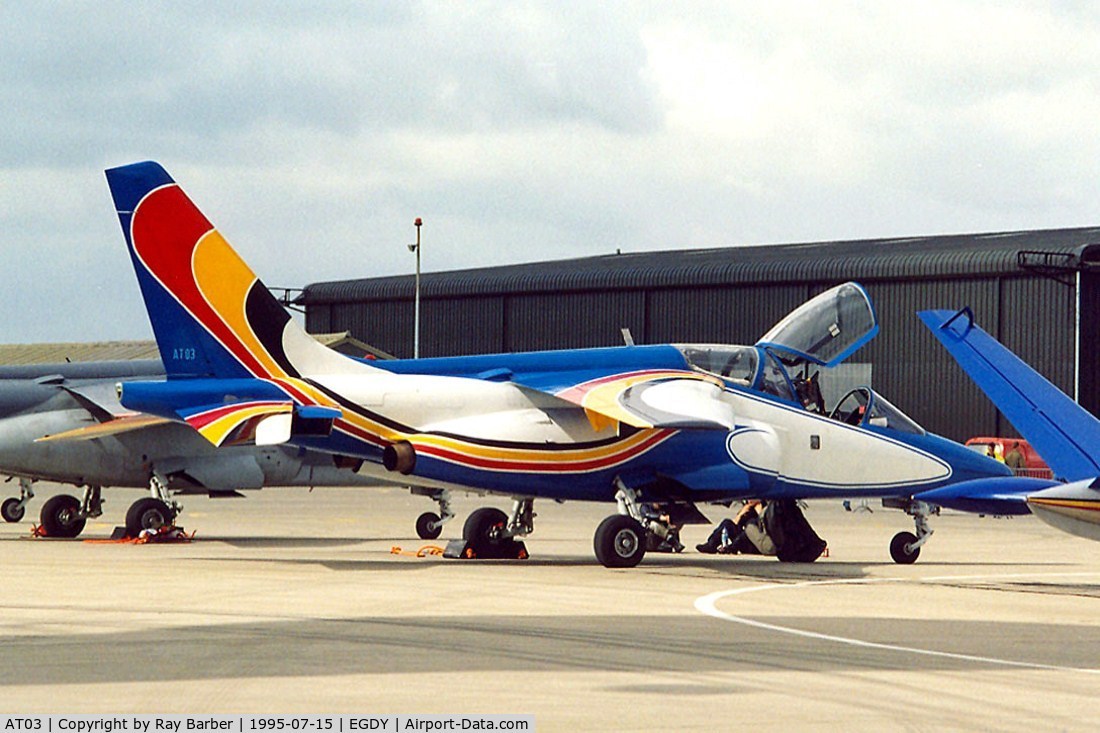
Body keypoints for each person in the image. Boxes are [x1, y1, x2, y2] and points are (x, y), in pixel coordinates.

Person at [696, 500, 773, 555]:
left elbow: (763, 526)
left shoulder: (764, 507)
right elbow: (735, 523)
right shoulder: (747, 508)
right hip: (742, 541)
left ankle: (731, 548)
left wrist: (758, 509)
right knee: (727, 523)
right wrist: (742, 513)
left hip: (756, 543)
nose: (749, 500)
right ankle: (711, 545)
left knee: (749, 528)